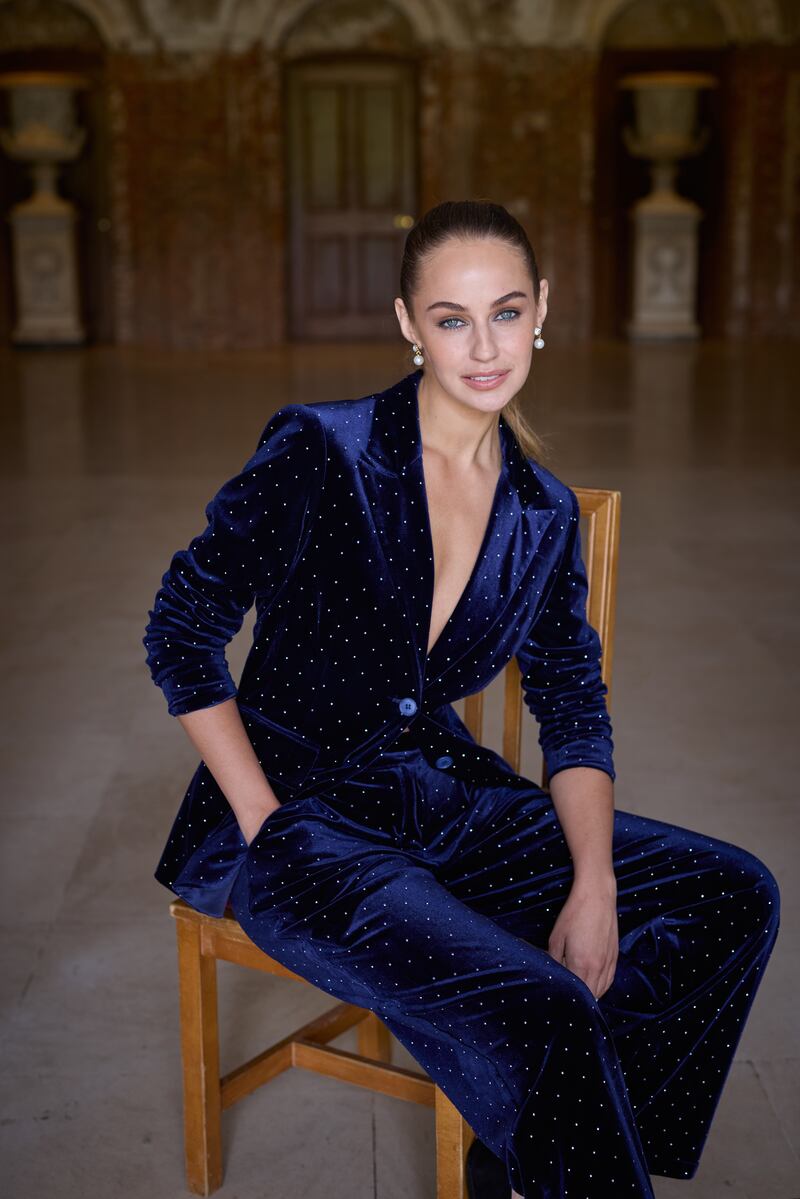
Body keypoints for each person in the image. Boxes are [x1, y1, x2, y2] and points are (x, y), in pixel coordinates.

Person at [143, 200, 781, 1199]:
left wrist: (594, 882)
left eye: (502, 312)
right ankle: (557, 1138)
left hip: (447, 800)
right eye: (450, 318)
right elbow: (179, 628)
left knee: (731, 893)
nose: (481, 346)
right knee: (543, 1004)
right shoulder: (322, 448)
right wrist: (265, 823)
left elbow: (571, 706)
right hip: (296, 820)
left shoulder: (542, 511)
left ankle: (540, 1140)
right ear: (407, 322)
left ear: (541, 312)